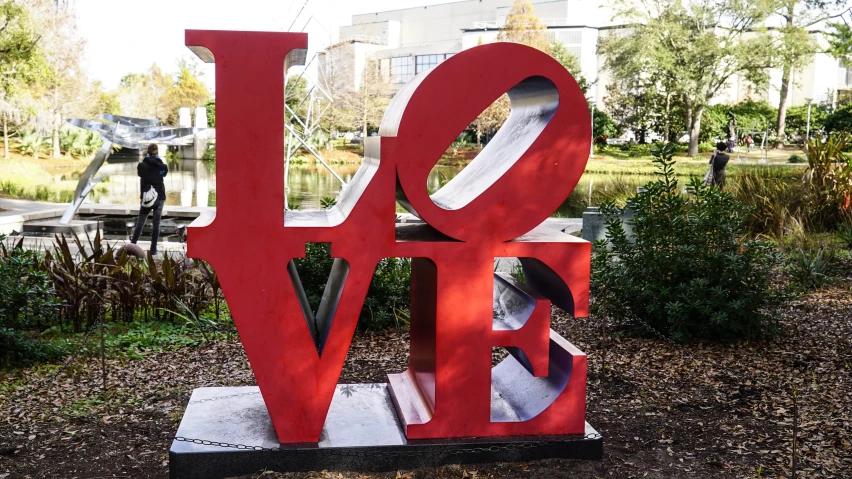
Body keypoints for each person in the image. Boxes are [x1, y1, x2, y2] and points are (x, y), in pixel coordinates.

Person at [130, 144, 168, 255]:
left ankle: (132, 246)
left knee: (140, 223)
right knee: (156, 223)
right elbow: (163, 174)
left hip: (146, 197)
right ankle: (153, 249)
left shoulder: (141, 166)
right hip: (159, 197)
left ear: (148, 152)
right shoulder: (162, 166)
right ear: (157, 152)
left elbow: (140, 174)